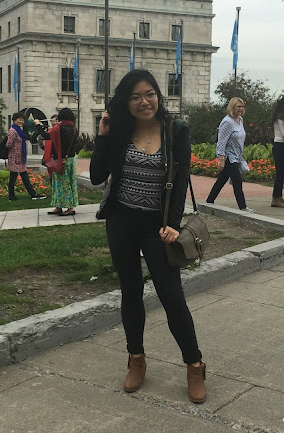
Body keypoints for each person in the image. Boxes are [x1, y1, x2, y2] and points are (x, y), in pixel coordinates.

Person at [89, 69, 207, 404]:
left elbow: (181, 179)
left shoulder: (175, 130)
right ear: (126, 102)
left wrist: (172, 223)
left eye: (150, 94)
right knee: (131, 293)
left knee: (172, 297)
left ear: (159, 95)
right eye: (136, 96)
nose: (145, 101)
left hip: (158, 227)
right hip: (121, 222)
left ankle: (195, 365)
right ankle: (136, 360)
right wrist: (103, 136)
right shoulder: (120, 132)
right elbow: (97, 176)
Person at [205, 97, 255, 213]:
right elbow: (221, 142)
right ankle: (243, 207)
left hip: (237, 156)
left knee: (222, 179)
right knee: (237, 181)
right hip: (229, 157)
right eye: (238, 106)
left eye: (242, 106)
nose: (241, 109)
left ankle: (209, 200)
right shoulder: (227, 122)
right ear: (232, 107)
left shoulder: (240, 120)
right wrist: (221, 159)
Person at [35, 109, 78, 216]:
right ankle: (59, 206)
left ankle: (69, 208)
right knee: (70, 182)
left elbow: (45, 136)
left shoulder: (58, 129)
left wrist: (38, 125)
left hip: (61, 160)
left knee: (61, 184)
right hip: (71, 159)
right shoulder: (73, 128)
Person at [6, 112, 46, 202]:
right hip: (15, 158)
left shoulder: (19, 130)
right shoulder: (13, 131)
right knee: (15, 177)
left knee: (21, 177)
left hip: (20, 158)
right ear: (14, 120)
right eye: (19, 119)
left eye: (22, 120)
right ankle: (15, 196)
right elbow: (8, 144)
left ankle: (31, 194)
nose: (21, 121)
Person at [270, 96, 284, 208]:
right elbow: (283, 133)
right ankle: (275, 197)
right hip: (279, 145)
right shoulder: (279, 117)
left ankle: (279, 196)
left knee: (282, 173)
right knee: (279, 173)